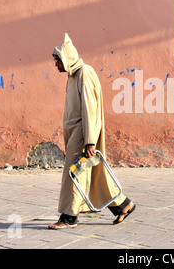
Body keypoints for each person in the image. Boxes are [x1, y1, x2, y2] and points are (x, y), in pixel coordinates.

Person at [48, 33, 136, 229]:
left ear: (66, 59)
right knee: (95, 173)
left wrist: (89, 141)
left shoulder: (84, 74)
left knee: (73, 173)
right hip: (76, 133)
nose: (56, 65)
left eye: (57, 61)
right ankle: (122, 205)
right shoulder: (73, 76)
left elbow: (89, 108)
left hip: (82, 133)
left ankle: (68, 217)